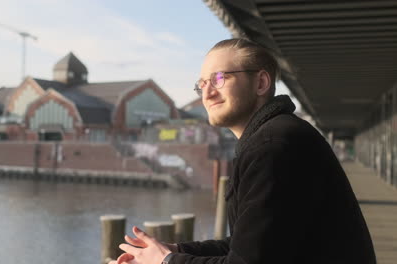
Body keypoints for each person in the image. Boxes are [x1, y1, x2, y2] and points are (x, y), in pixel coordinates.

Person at [109, 38, 376, 264]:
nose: (207, 93)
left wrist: (166, 261)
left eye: (219, 78)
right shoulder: (275, 136)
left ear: (261, 83)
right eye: (202, 84)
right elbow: (248, 244)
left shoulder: (273, 147)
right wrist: (177, 251)